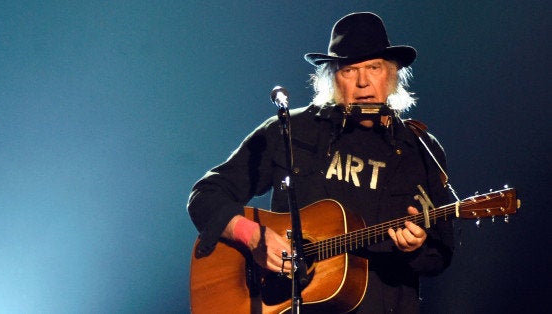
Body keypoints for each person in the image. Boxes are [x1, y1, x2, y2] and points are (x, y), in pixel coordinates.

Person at [188, 12, 454, 313]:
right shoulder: (290, 130)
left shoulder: (420, 149)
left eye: (374, 68)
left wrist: (416, 248)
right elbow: (206, 196)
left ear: (392, 74)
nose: (364, 82)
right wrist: (253, 238)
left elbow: (441, 253)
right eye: (350, 70)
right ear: (332, 77)